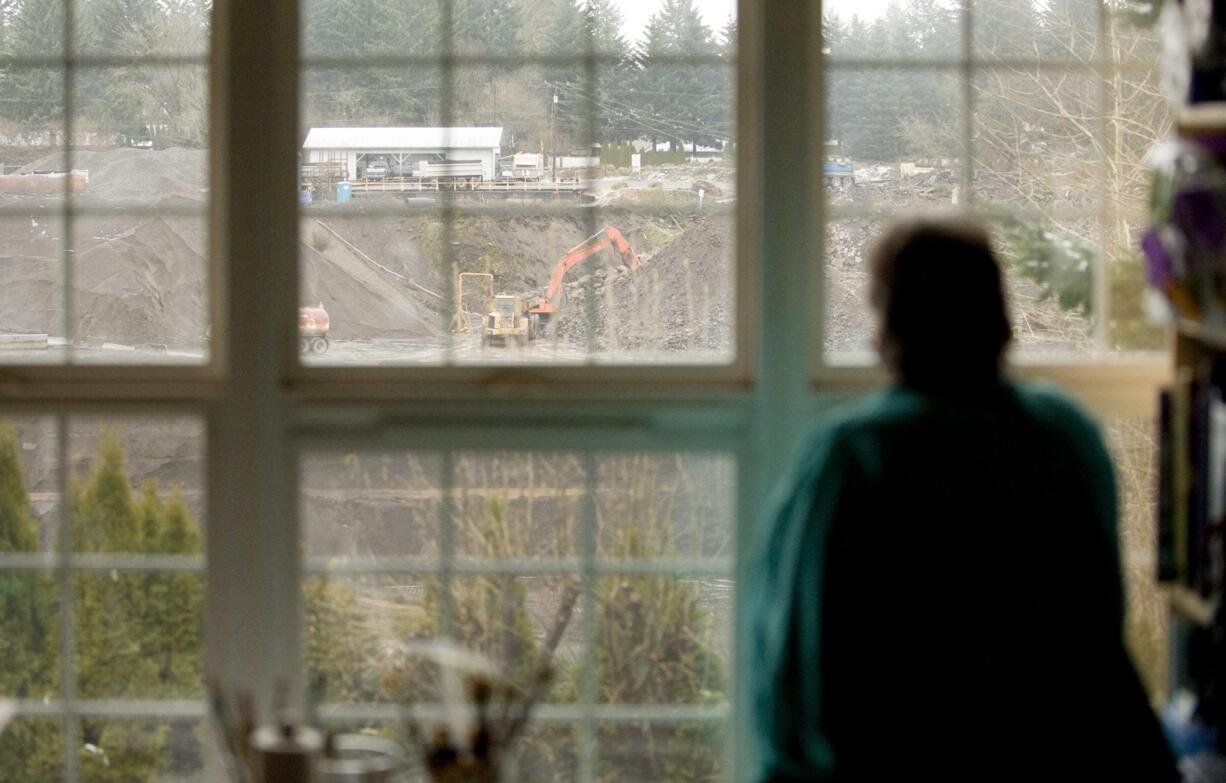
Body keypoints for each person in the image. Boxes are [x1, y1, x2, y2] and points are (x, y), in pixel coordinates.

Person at [747, 216, 1178, 781]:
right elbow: (1099, 619)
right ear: (996, 313)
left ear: (890, 324)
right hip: (1065, 753)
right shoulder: (1064, 433)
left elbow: (798, 667)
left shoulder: (855, 455)